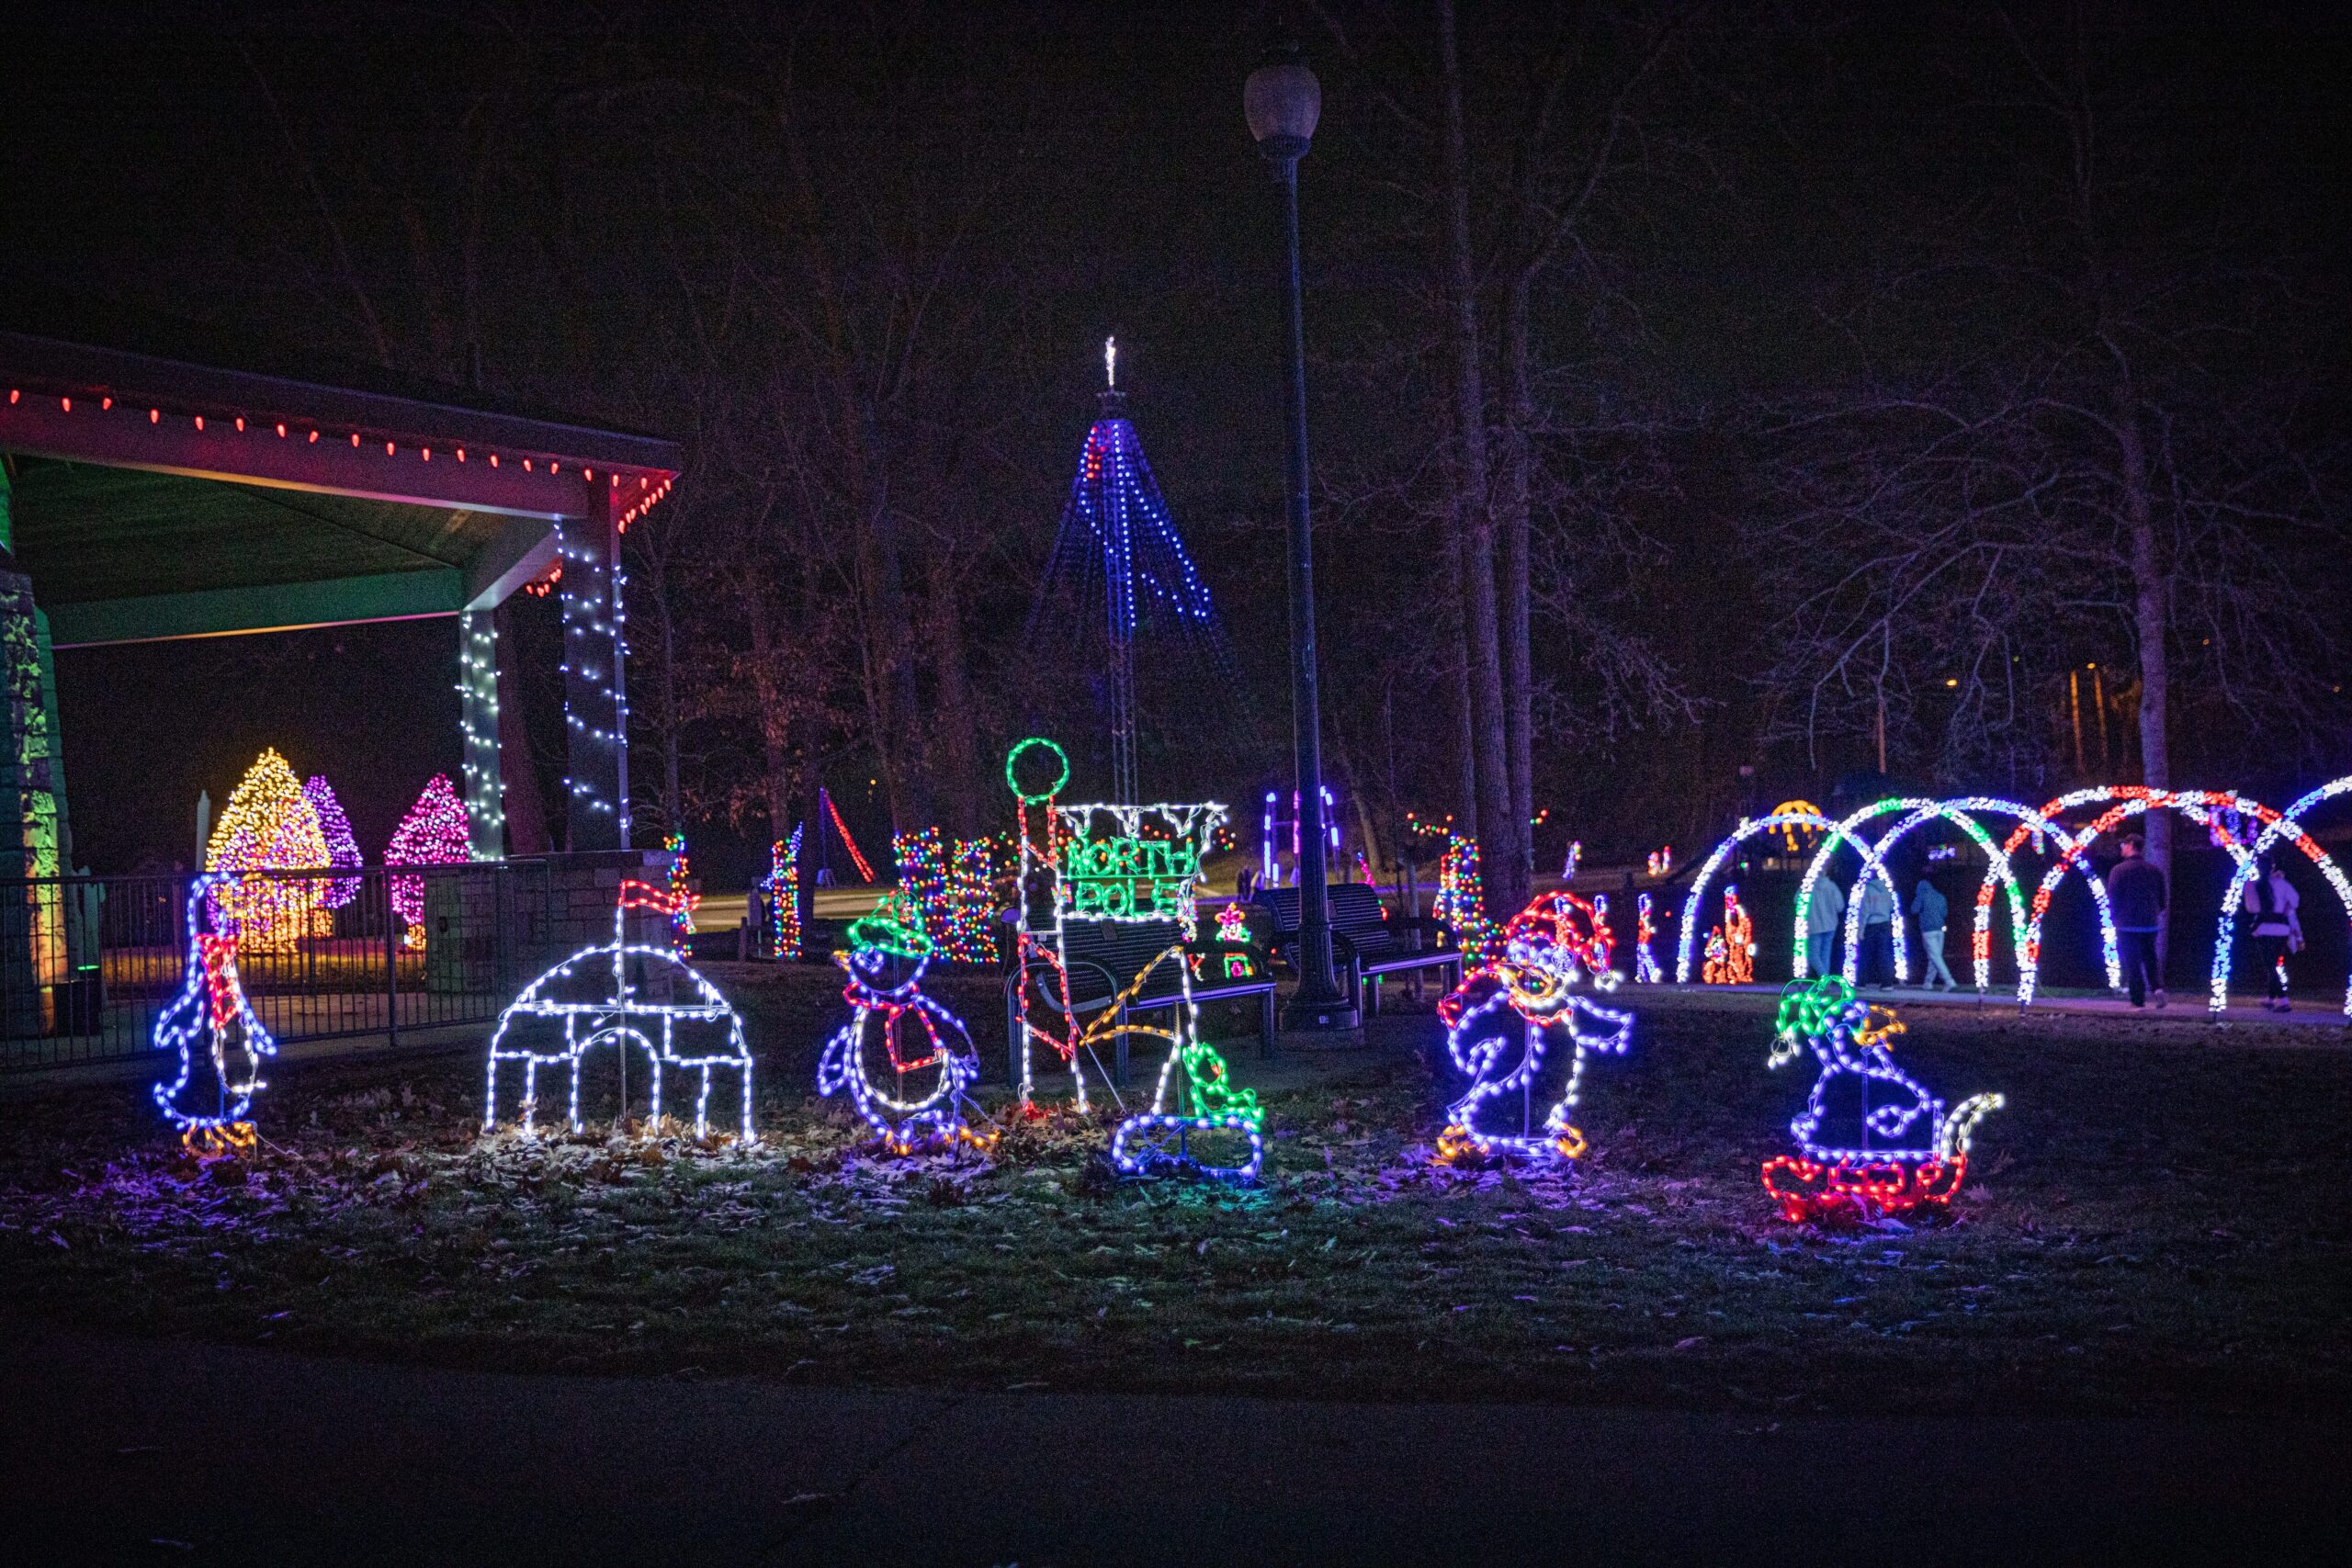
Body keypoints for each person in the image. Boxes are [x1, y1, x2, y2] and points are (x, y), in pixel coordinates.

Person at [2106, 833, 2167, 1008]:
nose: (2122, 849)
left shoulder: (2118, 871)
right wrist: (2154, 913)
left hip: (2127, 924)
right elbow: (2163, 899)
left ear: (2131, 845)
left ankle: (2138, 1001)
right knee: (2150, 958)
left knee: (2132, 963)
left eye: (2124, 845)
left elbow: (2113, 897)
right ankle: (2158, 989)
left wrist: (2116, 916)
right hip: (2150, 924)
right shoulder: (2155, 871)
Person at [2242, 858, 2303, 1012]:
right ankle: (2270, 998)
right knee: (2272, 964)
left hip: (2263, 928)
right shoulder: (2282, 884)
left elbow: (2251, 908)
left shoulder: (2252, 885)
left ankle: (2283, 1001)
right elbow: (2294, 903)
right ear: (2273, 867)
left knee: (2269, 965)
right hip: (2281, 929)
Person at [1911, 876, 1957, 990]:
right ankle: (1928, 983)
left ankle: (1949, 980)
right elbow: (1944, 913)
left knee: (1935, 956)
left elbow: (1914, 910)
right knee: (1935, 957)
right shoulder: (1940, 896)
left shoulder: (1922, 895)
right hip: (1940, 930)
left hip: (1928, 931)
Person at [1805, 874, 1846, 978]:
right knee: (1825, 955)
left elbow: (1796, 900)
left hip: (1814, 925)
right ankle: (1825, 982)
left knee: (1812, 955)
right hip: (1830, 925)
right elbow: (1840, 906)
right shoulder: (1832, 887)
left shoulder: (1808, 886)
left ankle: (1824, 978)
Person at [1858, 875, 1895, 987]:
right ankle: (1887, 983)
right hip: (1885, 923)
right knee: (1884, 953)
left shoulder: (1868, 889)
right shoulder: (1887, 890)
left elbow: (1865, 910)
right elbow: (1892, 906)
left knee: (1866, 954)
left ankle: (1861, 983)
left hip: (1871, 924)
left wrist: (1861, 930)